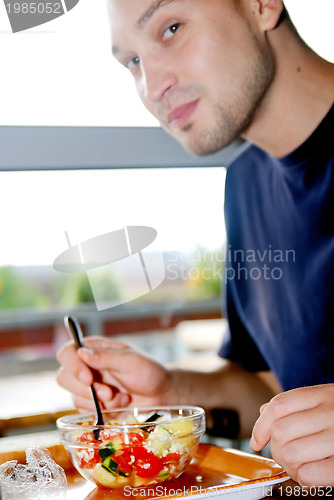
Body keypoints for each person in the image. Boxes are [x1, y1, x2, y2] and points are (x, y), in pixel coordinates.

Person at [57, 0, 334, 487]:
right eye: (133, 61)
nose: (152, 86)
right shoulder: (245, 183)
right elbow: (269, 392)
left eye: (171, 28)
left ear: (262, 5)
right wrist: (164, 391)